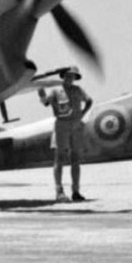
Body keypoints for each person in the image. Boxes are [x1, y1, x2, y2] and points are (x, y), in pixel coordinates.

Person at [38, 67, 93, 203]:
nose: (70, 78)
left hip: (76, 126)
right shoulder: (56, 91)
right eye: (68, 75)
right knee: (59, 159)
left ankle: (76, 191)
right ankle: (59, 191)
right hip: (61, 125)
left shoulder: (78, 90)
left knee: (76, 159)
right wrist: (41, 94)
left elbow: (89, 101)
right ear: (63, 76)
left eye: (73, 76)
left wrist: (82, 114)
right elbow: (46, 103)